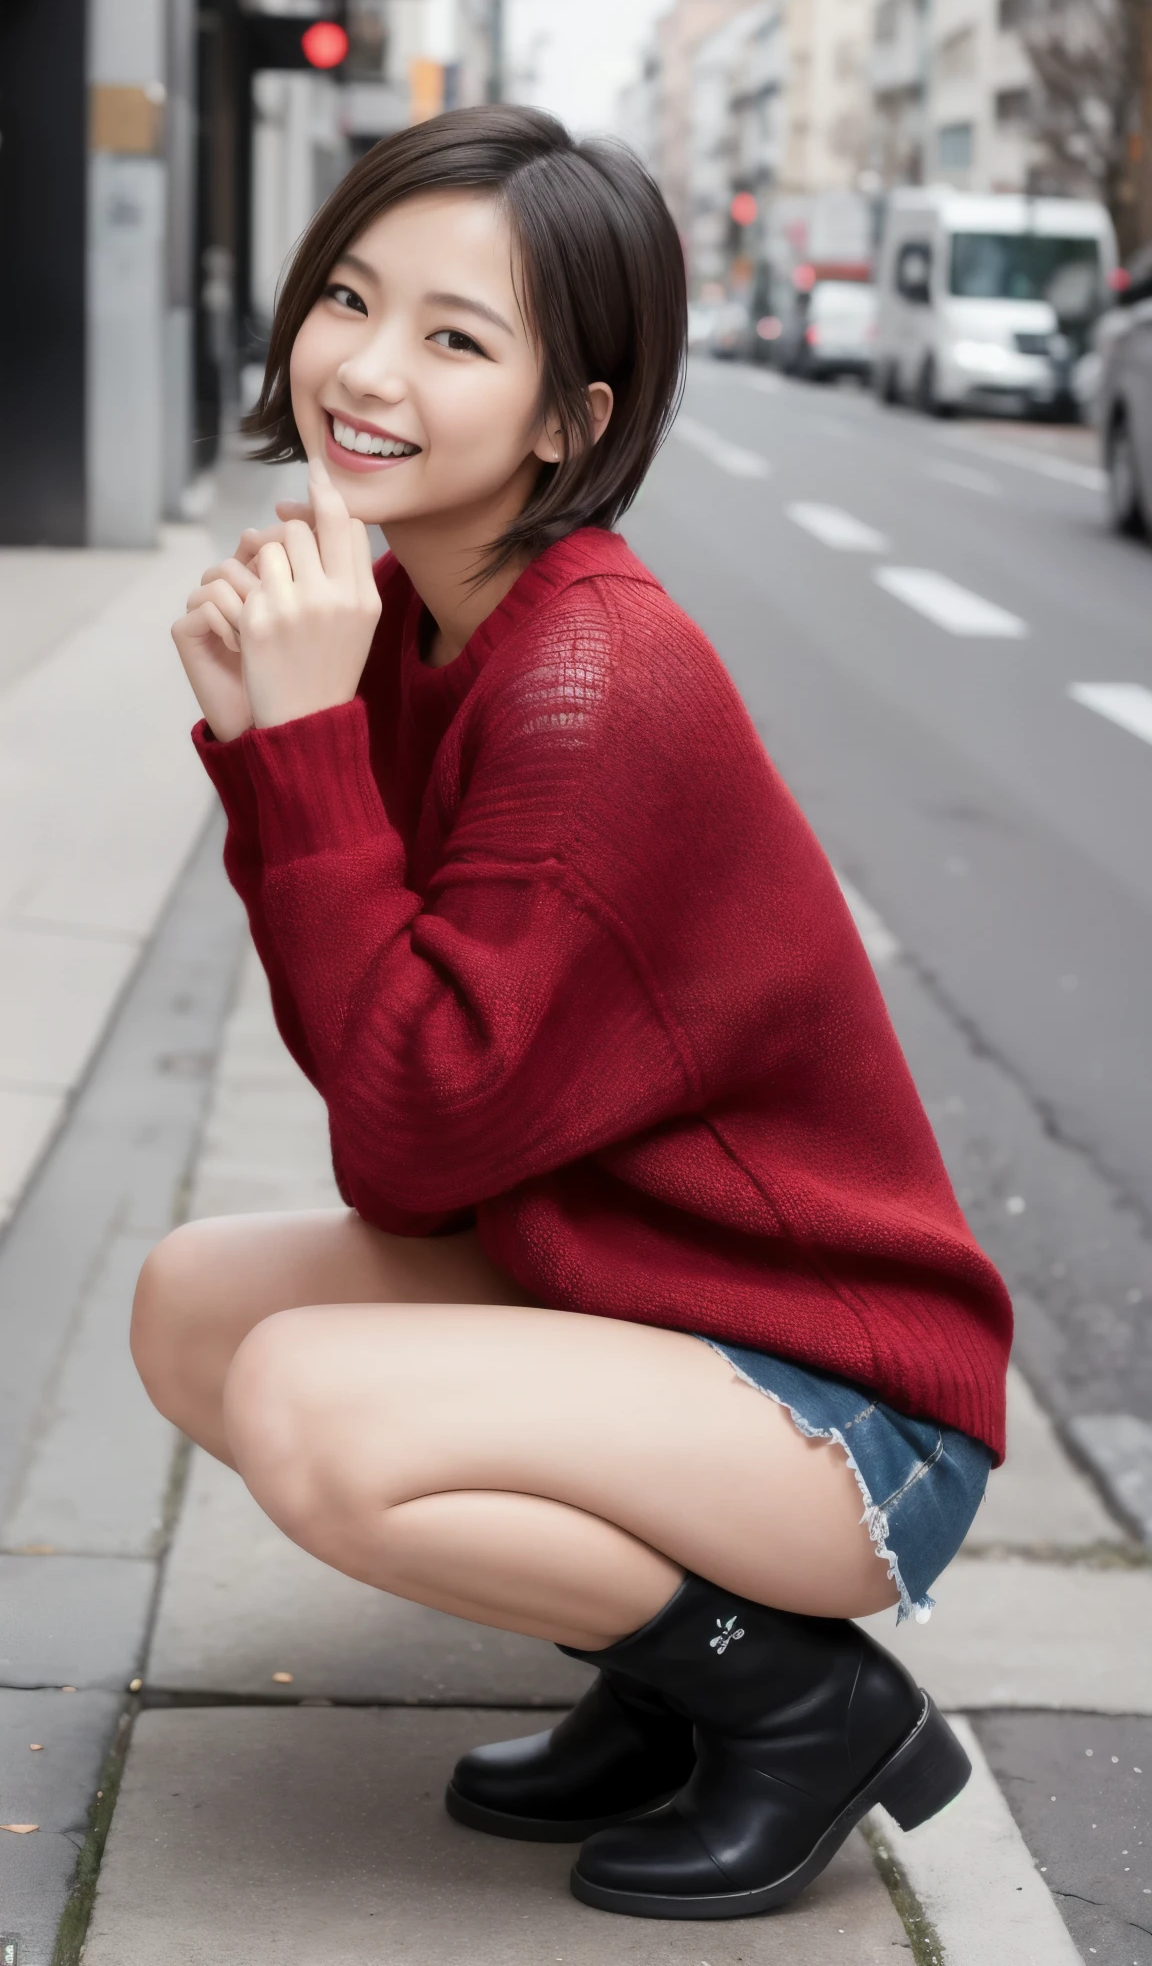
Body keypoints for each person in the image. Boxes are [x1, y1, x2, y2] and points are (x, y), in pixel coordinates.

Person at [131, 106, 1013, 1921]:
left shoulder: (594, 683)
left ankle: (802, 1704)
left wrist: (294, 764)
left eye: (457, 338)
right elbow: (403, 1116)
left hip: (842, 1404)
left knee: (310, 1405)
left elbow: (404, 1137)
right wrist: (270, 752)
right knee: (190, 1305)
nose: (366, 369)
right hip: (643, 1289)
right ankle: (667, 1674)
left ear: (571, 419)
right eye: (350, 298)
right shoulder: (415, 624)